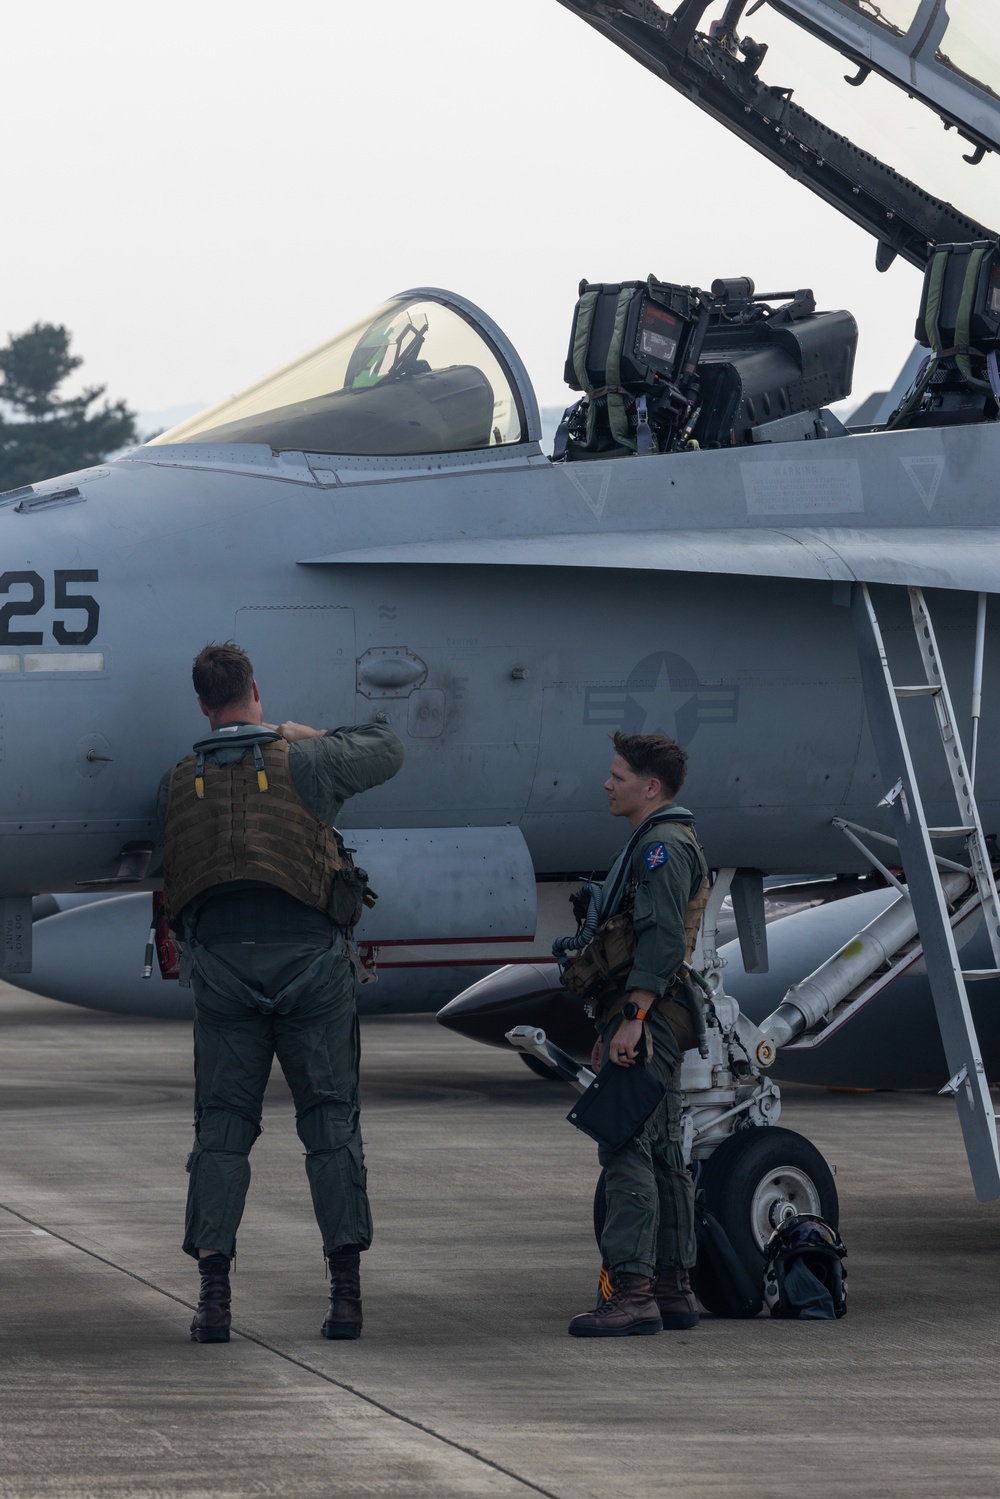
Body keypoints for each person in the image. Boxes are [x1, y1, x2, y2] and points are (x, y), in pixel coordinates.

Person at [158, 641, 404, 1345]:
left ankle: (214, 1300)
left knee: (222, 1132)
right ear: (255, 690)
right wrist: (306, 733)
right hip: (312, 973)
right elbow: (386, 746)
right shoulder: (303, 761)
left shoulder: (179, 781)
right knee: (329, 1125)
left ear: (203, 704)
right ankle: (346, 1297)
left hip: (224, 980)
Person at [565, 730, 709, 1338]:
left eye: (618, 776)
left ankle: (631, 1292)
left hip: (651, 1013)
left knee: (625, 1146)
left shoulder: (661, 849)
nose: (607, 783)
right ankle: (672, 1289)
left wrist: (634, 1015)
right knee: (663, 1153)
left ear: (651, 787)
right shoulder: (659, 841)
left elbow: (662, 939)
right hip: (649, 1015)